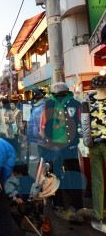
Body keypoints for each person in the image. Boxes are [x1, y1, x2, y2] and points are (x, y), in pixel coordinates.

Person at [40, 82, 83, 219]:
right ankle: (77, 204)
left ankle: (59, 203)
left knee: (56, 174)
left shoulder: (48, 104)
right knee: (73, 173)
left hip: (55, 146)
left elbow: (44, 125)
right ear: (67, 91)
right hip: (70, 146)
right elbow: (81, 124)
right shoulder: (76, 104)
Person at [82, 75, 106, 233]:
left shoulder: (87, 102)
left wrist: (86, 142)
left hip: (94, 144)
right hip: (97, 145)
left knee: (97, 181)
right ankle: (98, 216)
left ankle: (98, 216)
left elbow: (84, 123)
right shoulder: (87, 102)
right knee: (97, 181)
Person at [27, 88, 48, 159]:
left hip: (42, 135)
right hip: (38, 135)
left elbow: (43, 120)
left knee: (44, 156)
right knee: (42, 156)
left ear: (40, 95)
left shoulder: (43, 105)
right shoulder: (37, 105)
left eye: (36, 94)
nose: (34, 96)